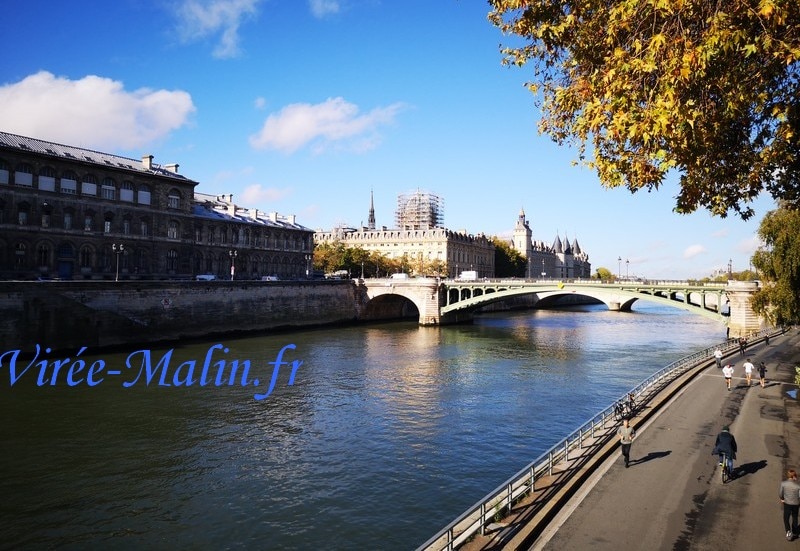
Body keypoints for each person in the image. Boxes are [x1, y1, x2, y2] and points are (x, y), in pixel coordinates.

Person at [780, 469, 800, 541]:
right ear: (794, 476)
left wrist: (782, 499)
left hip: (787, 503)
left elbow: (780, 493)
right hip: (796, 504)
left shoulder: (783, 483)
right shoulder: (798, 486)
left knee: (786, 518)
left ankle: (788, 531)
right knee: (795, 517)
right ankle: (795, 532)